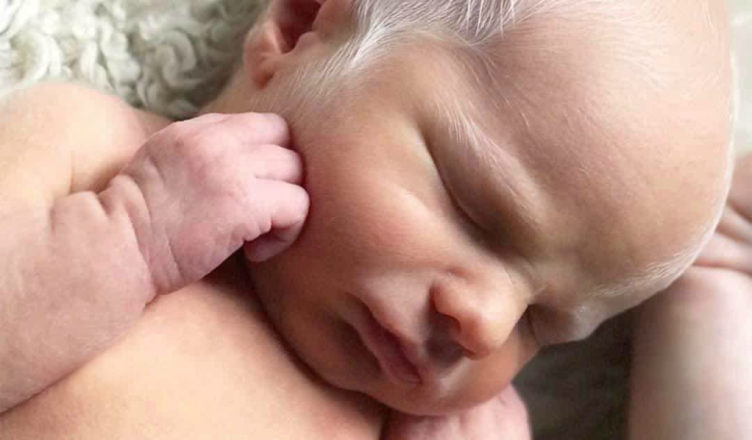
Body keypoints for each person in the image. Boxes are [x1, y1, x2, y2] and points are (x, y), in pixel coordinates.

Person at [0, 0, 741, 438]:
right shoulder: (96, 152)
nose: (484, 325)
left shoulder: (391, 417)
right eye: (476, 211)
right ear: (299, 24)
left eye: (540, 325)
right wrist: (131, 236)